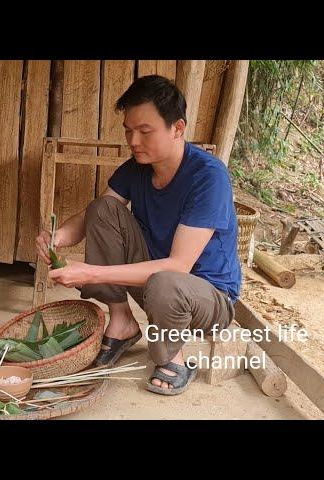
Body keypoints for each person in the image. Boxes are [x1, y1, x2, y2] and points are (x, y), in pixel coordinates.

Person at [36, 75, 241, 395]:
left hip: (210, 301)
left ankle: (175, 356)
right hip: (158, 286)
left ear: (178, 128)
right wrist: (59, 236)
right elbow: (96, 214)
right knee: (103, 208)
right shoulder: (137, 167)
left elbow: (177, 266)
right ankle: (122, 321)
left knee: (166, 280)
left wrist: (90, 271)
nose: (133, 140)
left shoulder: (208, 177)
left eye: (145, 131)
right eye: (129, 130)